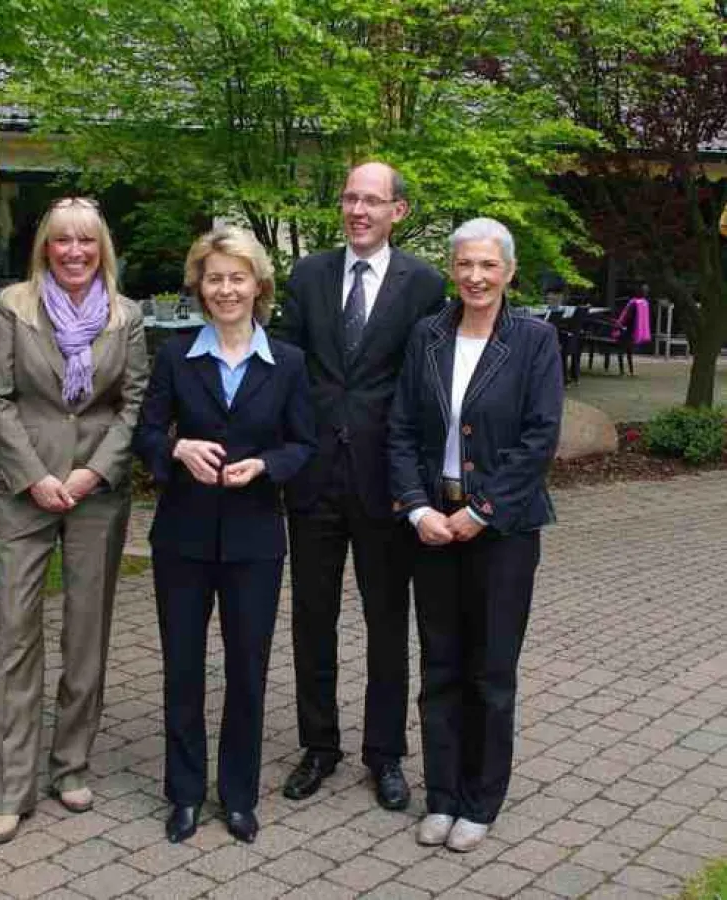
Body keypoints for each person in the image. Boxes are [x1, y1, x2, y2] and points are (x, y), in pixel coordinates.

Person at [134, 227, 317, 845]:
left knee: (247, 669)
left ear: (258, 285)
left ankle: (238, 796)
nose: (226, 289)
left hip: (255, 540)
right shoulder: (176, 355)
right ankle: (185, 793)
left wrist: (266, 464)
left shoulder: (287, 362)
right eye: (214, 278)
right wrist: (176, 448)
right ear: (199, 286)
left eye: (237, 277)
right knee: (182, 669)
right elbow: (146, 433)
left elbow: (304, 444)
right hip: (182, 537)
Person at [389, 218, 563, 852]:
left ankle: (481, 800)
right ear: (452, 268)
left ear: (509, 272)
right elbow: (402, 430)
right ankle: (441, 795)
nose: (476, 276)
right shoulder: (427, 336)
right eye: (465, 264)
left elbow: (539, 439)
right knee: (439, 665)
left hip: (503, 531)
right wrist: (416, 508)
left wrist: (482, 510)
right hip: (433, 525)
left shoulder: (535, 341)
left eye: (488, 265)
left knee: (490, 671)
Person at [0, 197, 148, 844]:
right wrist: (36, 476)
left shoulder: (126, 316)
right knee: (14, 636)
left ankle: (71, 765)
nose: (74, 252)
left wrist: (92, 472)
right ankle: (11, 787)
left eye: (86, 241)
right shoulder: (14, 307)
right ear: (44, 248)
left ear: (101, 249)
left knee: (86, 634)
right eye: (61, 241)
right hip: (23, 491)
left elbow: (133, 403)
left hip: (95, 493)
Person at [278, 161, 445, 809]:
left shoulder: (424, 284)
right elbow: (287, 367)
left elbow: (426, 387)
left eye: (372, 201)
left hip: (386, 482)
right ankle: (319, 746)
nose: (358, 210)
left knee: (387, 622)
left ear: (397, 212)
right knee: (312, 618)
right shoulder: (309, 275)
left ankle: (385, 753)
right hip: (314, 478)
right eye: (350, 198)